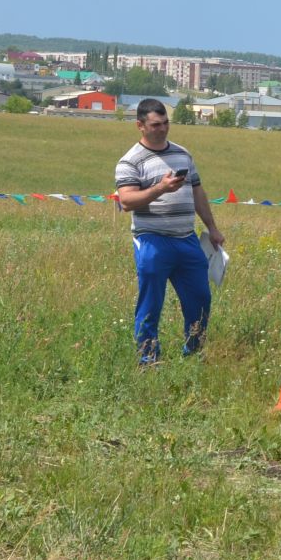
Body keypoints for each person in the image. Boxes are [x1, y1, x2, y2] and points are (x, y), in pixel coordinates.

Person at [114, 98, 224, 364]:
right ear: (140, 126)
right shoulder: (129, 161)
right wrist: (160, 189)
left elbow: (197, 191)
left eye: (165, 123)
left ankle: (193, 353)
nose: (162, 129)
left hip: (187, 240)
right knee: (151, 304)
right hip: (152, 241)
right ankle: (148, 360)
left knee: (200, 299)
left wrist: (212, 228)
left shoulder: (182, 154)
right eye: (155, 124)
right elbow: (127, 201)